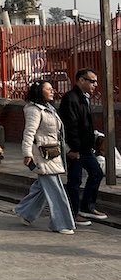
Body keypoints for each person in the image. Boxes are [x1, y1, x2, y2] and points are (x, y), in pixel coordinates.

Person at [13, 81, 75, 234]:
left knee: (42, 187)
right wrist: (27, 153)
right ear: (39, 91)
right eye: (48, 89)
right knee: (55, 189)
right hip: (42, 155)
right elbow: (29, 133)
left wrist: (66, 149)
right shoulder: (34, 110)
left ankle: (25, 213)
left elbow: (57, 135)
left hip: (53, 153)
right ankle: (61, 223)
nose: (52, 91)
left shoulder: (49, 109)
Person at [58, 68, 106, 222]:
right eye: (92, 81)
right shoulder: (70, 99)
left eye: (95, 81)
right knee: (74, 180)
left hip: (86, 147)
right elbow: (70, 126)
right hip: (75, 149)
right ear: (81, 80)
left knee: (97, 173)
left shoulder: (84, 98)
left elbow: (86, 124)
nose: (95, 85)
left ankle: (87, 206)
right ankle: (73, 212)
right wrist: (73, 148)